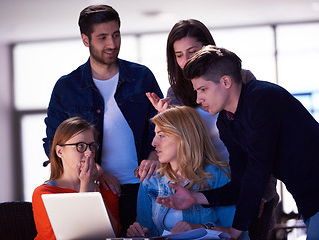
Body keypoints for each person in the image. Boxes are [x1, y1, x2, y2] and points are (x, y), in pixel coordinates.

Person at [156, 45, 319, 239]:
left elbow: (258, 167)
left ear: (225, 81)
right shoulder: (226, 123)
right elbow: (241, 183)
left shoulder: (263, 97)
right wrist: (195, 198)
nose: (199, 99)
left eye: (203, 89)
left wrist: (236, 229)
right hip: (308, 202)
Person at [146, 19, 278, 239]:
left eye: (192, 51)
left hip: (249, 181)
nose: (185, 60)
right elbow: (176, 143)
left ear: (208, 49)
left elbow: (263, 144)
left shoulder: (240, 79)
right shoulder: (175, 93)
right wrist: (164, 120)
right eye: (178, 55)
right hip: (207, 186)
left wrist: (261, 194)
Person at [42, 5, 163, 235]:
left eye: (116, 34)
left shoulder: (142, 76)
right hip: (97, 192)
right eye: (103, 37)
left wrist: (154, 155)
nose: (112, 44)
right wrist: (96, 171)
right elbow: (54, 143)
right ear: (85, 40)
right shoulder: (66, 87)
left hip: (146, 189)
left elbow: (164, 125)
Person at [127, 106, 241, 238]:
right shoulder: (151, 178)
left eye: (161, 135)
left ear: (184, 137)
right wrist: (137, 234)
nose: (153, 142)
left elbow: (235, 234)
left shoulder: (219, 176)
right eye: (155, 134)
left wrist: (199, 229)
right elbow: (147, 230)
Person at [32, 117, 119, 240]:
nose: (89, 153)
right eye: (80, 146)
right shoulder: (44, 194)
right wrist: (86, 185)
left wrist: (94, 188)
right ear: (60, 151)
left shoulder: (106, 189)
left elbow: (113, 234)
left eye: (92, 146)